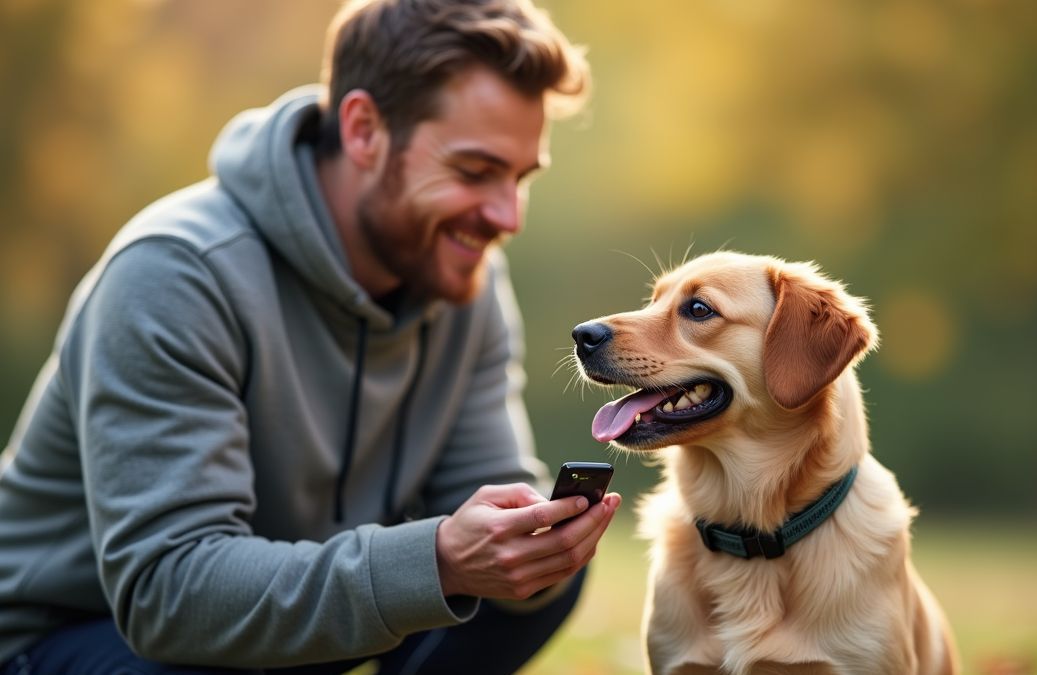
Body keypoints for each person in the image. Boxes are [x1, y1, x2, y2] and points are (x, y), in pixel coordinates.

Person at [0, 0, 620, 672]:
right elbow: (169, 596)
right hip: (77, 637)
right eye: (475, 171)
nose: (507, 215)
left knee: (533, 585)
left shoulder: (462, 278)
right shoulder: (175, 273)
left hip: (276, 624)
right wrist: (437, 559)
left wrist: (536, 547)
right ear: (362, 129)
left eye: (521, 178)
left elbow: (485, 494)